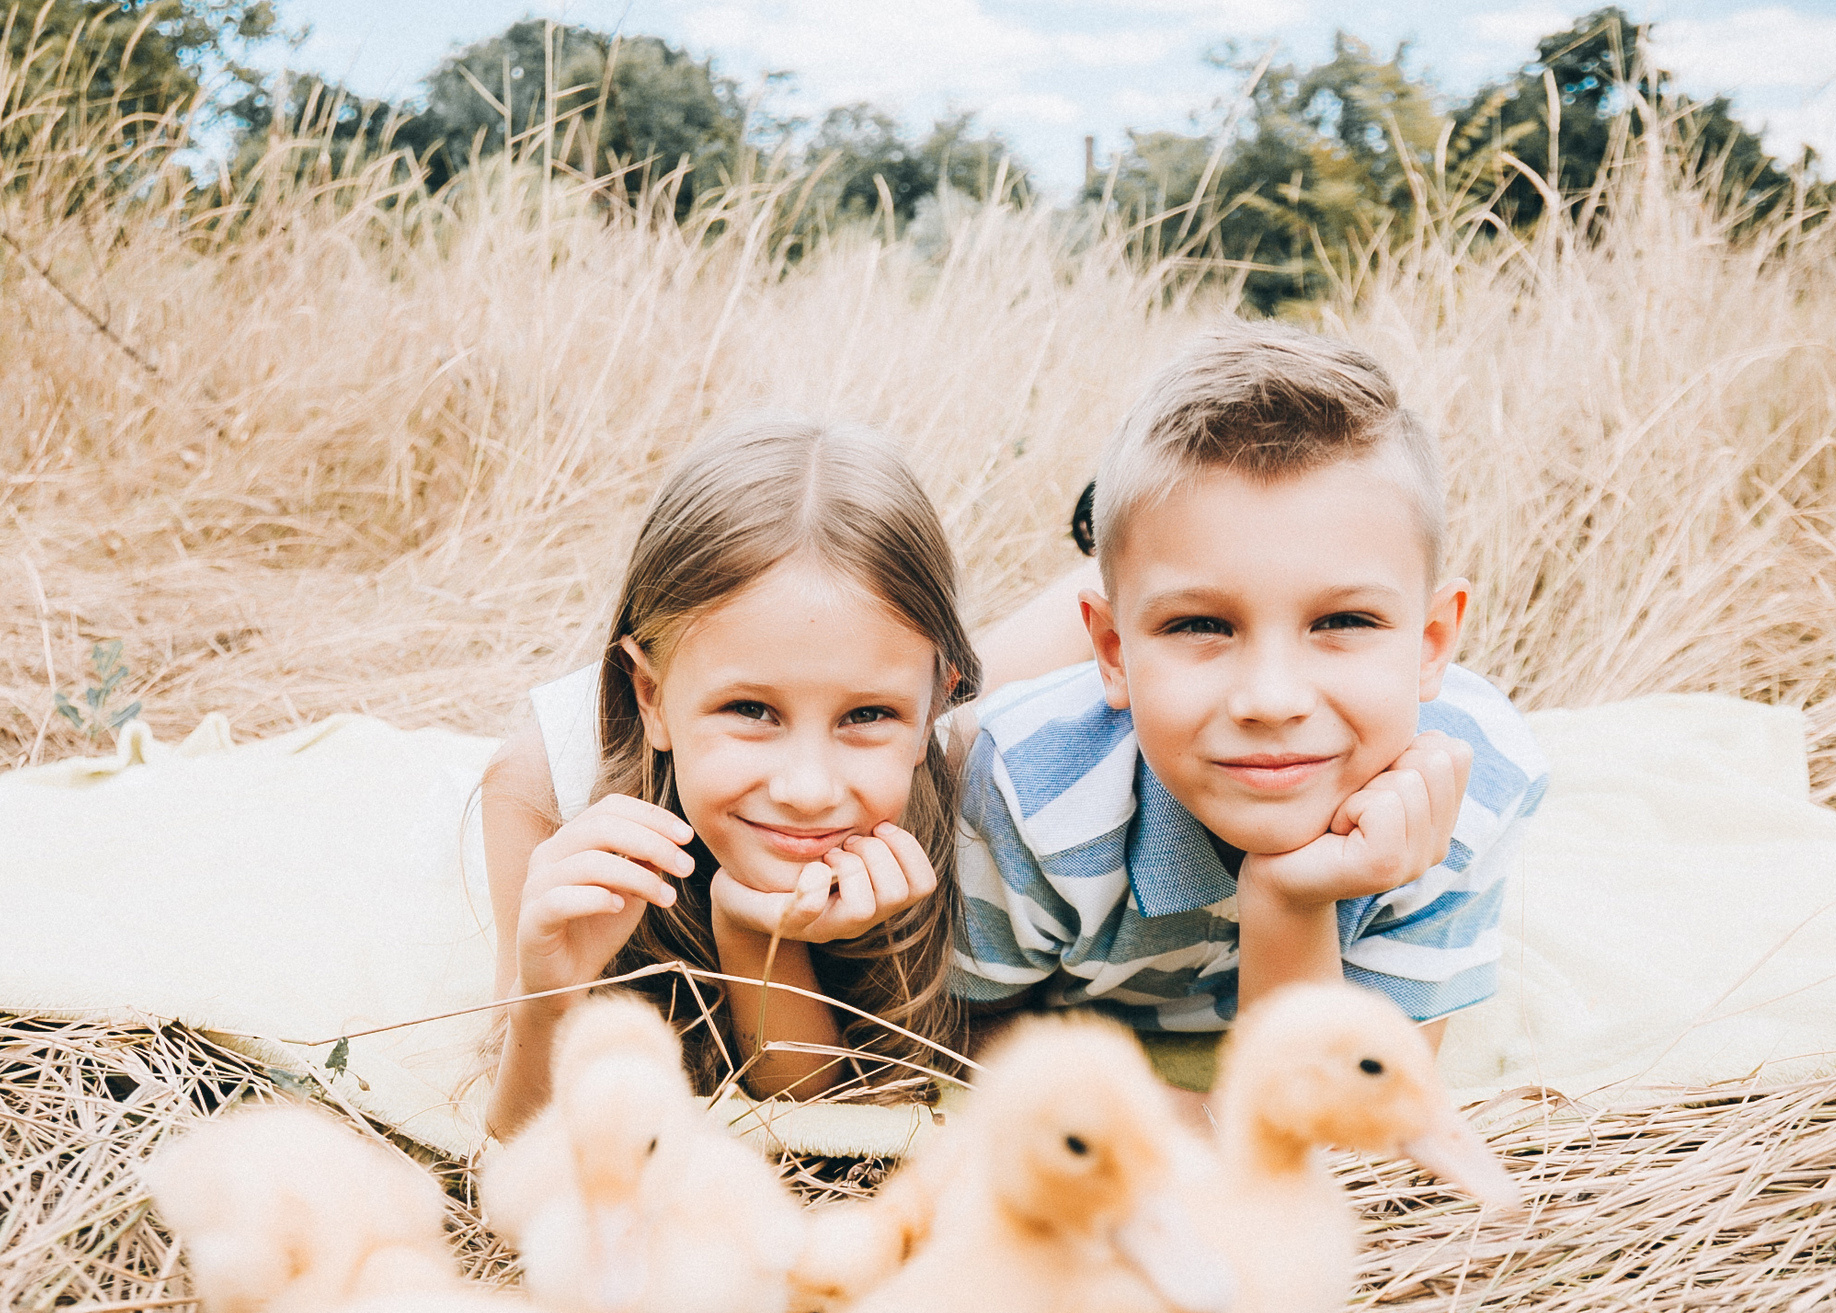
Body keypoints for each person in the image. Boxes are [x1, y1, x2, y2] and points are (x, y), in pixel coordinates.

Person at [952, 320, 1550, 1048]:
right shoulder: (1024, 795)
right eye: (1201, 625)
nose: (1271, 700)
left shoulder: (1475, 782)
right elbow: (959, 1031)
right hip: (1054, 714)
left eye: (1344, 619)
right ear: (1108, 648)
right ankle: (1122, 557)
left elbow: (1347, 1103)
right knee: (949, 719)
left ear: (1433, 645)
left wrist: (1286, 900)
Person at [479, 417, 980, 1135]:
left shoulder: (955, 788)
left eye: (866, 714)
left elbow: (810, 1116)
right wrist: (547, 994)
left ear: (933, 709)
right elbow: (512, 1146)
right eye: (751, 710)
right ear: (650, 697)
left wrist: (750, 931)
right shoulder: (534, 787)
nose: (808, 790)